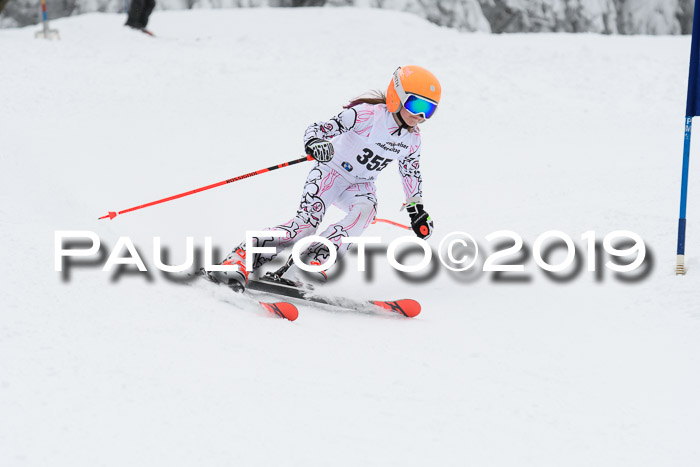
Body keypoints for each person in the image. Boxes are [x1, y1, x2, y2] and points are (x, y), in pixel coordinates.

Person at [208, 65, 441, 291]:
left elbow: (410, 170)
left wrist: (416, 209)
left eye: (428, 110)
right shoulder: (367, 115)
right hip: (331, 172)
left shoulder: (412, 139)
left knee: (365, 212)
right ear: (396, 96)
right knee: (305, 226)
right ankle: (238, 259)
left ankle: (306, 263)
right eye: (416, 104)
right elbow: (319, 128)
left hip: (361, 184)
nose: (420, 115)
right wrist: (315, 142)